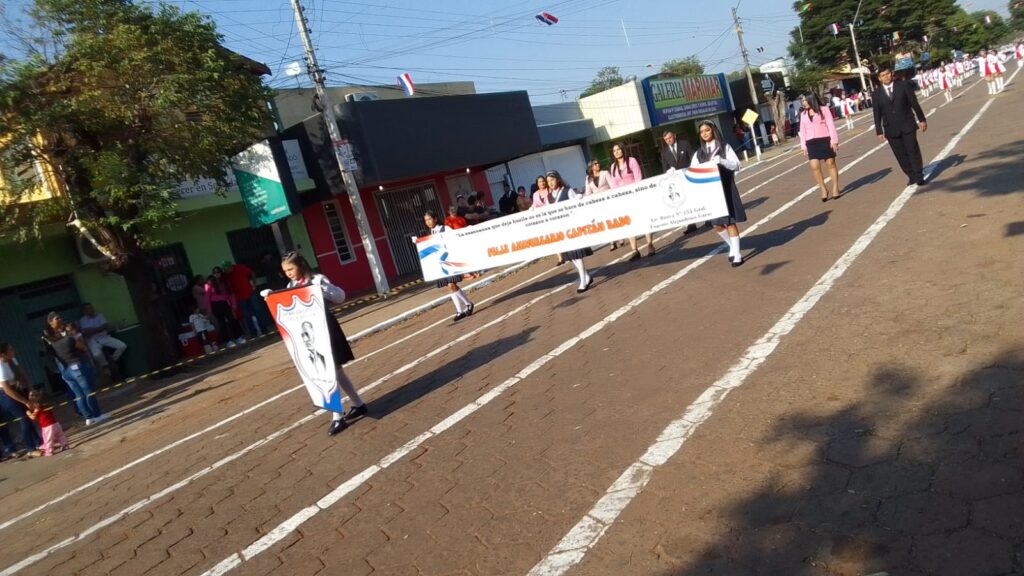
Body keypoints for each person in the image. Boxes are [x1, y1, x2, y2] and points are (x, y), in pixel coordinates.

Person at [277, 251, 368, 436]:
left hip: (325, 328)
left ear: (301, 265)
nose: (288, 273)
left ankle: (337, 416)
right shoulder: (290, 285)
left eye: (291, 269)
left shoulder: (318, 279)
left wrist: (323, 289)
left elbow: (340, 296)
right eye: (285, 270)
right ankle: (358, 404)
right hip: (309, 334)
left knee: (329, 371)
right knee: (334, 370)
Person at [691, 121, 747, 267]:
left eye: (707, 130)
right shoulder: (699, 153)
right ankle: (732, 246)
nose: (704, 133)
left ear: (713, 130)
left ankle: (738, 254)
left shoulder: (724, 147)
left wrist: (722, 161)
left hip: (726, 188)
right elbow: (691, 171)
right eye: (701, 131)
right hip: (711, 194)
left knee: (730, 222)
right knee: (716, 225)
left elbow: (737, 165)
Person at [42, 314, 109, 425]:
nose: (60, 320)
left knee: (79, 395)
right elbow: (83, 347)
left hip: (65, 369)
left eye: (60, 317)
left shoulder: (51, 342)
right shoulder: (68, 338)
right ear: (50, 323)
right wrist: (73, 338)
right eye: (57, 318)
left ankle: (88, 417)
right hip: (76, 366)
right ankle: (96, 415)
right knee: (88, 392)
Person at [872, 64, 928, 186]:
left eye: (888, 74)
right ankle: (911, 175)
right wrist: (879, 131)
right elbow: (877, 114)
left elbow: (914, 103)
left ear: (891, 74)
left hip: (907, 124)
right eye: (883, 75)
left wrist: (922, 119)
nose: (886, 77)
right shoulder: (876, 94)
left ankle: (919, 176)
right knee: (900, 154)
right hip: (890, 129)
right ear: (879, 78)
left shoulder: (903, 86)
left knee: (912, 150)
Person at [422, 210, 475, 321]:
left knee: (451, 285)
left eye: (430, 219)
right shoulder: (431, 233)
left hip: (451, 260)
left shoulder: (445, 229)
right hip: (442, 264)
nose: (428, 222)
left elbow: (455, 240)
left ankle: (463, 308)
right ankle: (465, 307)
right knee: (450, 287)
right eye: (426, 220)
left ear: (435, 219)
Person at [546, 170, 594, 293]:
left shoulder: (567, 191)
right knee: (571, 257)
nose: (550, 183)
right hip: (561, 231)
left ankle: (583, 280)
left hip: (572, 228)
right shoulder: (549, 197)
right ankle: (587, 277)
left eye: (552, 180)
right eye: (548, 181)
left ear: (557, 179)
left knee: (577, 255)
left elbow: (577, 206)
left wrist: (578, 198)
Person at [609, 142, 652, 260]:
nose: (616, 152)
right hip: (623, 200)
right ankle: (634, 250)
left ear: (623, 150)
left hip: (635, 196)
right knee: (629, 224)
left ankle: (650, 245)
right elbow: (614, 184)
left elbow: (638, 177)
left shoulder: (632, 161)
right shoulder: (613, 167)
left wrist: (634, 192)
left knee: (643, 221)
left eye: (618, 149)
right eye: (614, 151)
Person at [0, 343, 42, 458]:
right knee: (23, 417)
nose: (13, 350)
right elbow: (7, 390)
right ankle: (30, 448)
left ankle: (38, 442)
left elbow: (22, 373)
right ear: (3, 354)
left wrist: (30, 388)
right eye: (10, 349)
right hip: (4, 393)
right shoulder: (1, 366)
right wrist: (25, 401)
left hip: (15, 388)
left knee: (27, 416)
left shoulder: (11, 360)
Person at [797, 93, 842, 202]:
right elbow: (802, 131)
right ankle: (823, 189)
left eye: (805, 100)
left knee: (830, 163)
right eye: (802, 101)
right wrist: (803, 145)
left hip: (825, 139)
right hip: (811, 142)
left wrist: (834, 140)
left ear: (811, 100)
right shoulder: (803, 114)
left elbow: (831, 124)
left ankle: (835, 187)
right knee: (814, 166)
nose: (803, 103)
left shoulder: (824, 109)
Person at [659, 130, 700, 235]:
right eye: (666, 139)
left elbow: (693, 157)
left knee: (696, 198)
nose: (668, 140)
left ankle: (708, 218)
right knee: (684, 202)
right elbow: (665, 169)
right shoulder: (664, 152)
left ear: (674, 136)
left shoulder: (684, 144)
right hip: (677, 181)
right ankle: (691, 224)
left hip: (689, 176)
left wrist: (695, 169)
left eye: (670, 138)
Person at [78, 303, 128, 374]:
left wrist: (94, 330)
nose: (91, 309)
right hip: (93, 340)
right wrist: (100, 328)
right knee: (96, 355)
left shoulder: (100, 315)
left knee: (122, 346)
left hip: (104, 337)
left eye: (91, 307)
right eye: (88, 308)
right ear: (85, 311)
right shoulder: (83, 320)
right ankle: (105, 365)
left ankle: (112, 359)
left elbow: (106, 326)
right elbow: (87, 331)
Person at [205, 267, 245, 347]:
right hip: (215, 305)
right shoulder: (209, 284)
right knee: (222, 323)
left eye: (218, 272)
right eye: (215, 273)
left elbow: (231, 294)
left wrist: (233, 305)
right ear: (213, 274)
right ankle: (228, 341)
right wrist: (209, 310)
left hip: (225, 303)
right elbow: (207, 298)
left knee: (232, 320)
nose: (217, 274)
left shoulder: (225, 282)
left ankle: (238, 337)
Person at [223, 260, 262, 338]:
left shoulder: (240, 268)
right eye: (225, 269)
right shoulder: (226, 275)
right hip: (240, 298)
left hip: (250, 293)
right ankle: (253, 333)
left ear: (230, 267)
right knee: (247, 316)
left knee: (257, 312)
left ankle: (263, 330)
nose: (227, 271)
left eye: (227, 269)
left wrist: (254, 284)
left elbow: (252, 273)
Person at [26, 389, 68, 456]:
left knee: (48, 440)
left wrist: (28, 413)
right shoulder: (47, 406)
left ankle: (49, 451)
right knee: (60, 435)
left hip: (47, 427)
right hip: (56, 424)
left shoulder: (37, 409)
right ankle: (65, 445)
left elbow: (33, 417)